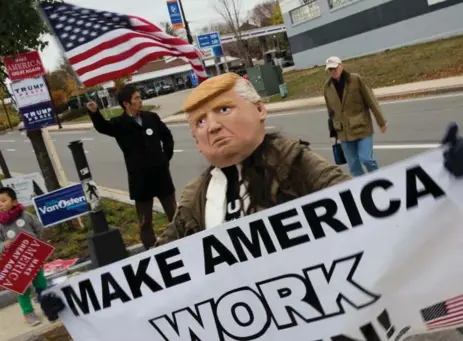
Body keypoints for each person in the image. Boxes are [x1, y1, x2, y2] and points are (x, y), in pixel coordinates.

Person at [39, 74, 463, 322]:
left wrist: (439, 184)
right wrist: (81, 298)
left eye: (223, 111)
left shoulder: (297, 165)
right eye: (198, 123)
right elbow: (154, 267)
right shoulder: (197, 197)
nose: (211, 128)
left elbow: (368, 208)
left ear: (260, 110)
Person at [87, 85, 177, 250]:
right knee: (145, 220)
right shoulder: (119, 124)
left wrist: (165, 158)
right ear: (126, 103)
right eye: (136, 98)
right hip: (140, 178)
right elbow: (102, 127)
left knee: (174, 213)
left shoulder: (152, 117)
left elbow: (167, 137)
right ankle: (150, 247)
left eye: (139, 97)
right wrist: (94, 112)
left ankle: (182, 238)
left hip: (161, 174)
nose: (140, 100)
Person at [324, 56, 387, 177]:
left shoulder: (355, 79)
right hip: (344, 133)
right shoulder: (327, 87)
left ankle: (378, 178)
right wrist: (333, 131)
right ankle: (364, 189)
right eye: (330, 70)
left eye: (335, 68)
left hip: (362, 128)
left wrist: (381, 122)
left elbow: (371, 101)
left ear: (341, 66)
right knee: (354, 166)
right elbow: (330, 112)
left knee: (366, 159)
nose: (333, 72)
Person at [0, 187, 47, 326]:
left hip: (34, 257)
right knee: (21, 287)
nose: (0, 204)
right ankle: (28, 312)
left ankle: (46, 304)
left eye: (3, 200)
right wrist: (3, 245)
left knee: (40, 282)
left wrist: (36, 244)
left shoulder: (26, 216)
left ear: (14, 202)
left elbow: (39, 229)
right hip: (16, 262)